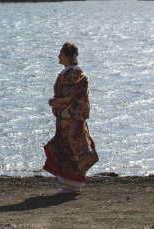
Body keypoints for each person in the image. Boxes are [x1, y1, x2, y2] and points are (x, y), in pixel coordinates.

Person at [43, 42, 99, 195]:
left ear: (68, 56)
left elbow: (68, 97)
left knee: (69, 149)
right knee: (76, 147)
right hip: (76, 117)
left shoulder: (69, 74)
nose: (59, 56)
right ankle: (74, 183)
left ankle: (73, 183)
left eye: (61, 53)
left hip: (68, 118)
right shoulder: (77, 73)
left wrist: (55, 103)